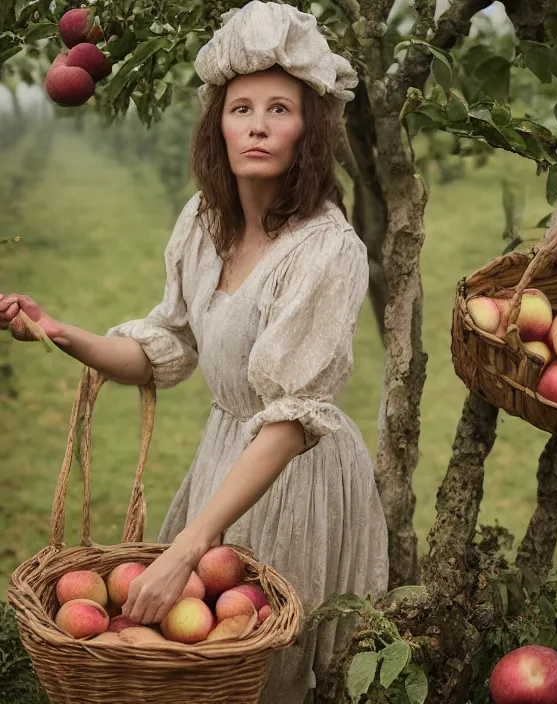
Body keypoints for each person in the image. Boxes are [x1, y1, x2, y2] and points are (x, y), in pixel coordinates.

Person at [0, 2, 389, 701]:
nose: (259, 125)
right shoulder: (204, 224)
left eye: (280, 109)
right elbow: (161, 350)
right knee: (194, 662)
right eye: (242, 108)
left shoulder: (327, 250)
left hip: (294, 475)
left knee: (266, 667)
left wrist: (188, 546)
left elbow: (290, 419)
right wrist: (60, 332)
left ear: (310, 131)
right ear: (219, 124)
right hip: (223, 463)